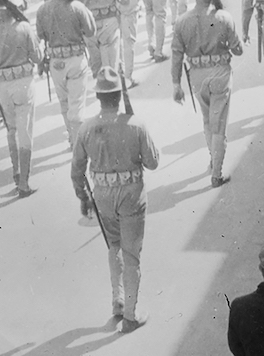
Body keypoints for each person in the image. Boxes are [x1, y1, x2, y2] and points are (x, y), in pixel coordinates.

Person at [71, 67, 159, 334]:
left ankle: (118, 301)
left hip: (103, 194)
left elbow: (76, 170)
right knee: (132, 254)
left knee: (114, 247)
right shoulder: (136, 124)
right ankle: (131, 315)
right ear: (119, 95)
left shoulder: (87, 127)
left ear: (98, 96)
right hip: (131, 192)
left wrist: (83, 197)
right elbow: (153, 162)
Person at [172, 0, 243, 185]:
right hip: (220, 73)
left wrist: (176, 84)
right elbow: (237, 49)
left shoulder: (182, 21)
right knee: (219, 124)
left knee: (207, 120)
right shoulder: (223, 17)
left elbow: (176, 54)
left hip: (196, 75)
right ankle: (217, 174)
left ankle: (214, 158)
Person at [0, 0, 42, 196]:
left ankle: (16, 171)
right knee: (25, 132)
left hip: (2, 84)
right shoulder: (23, 28)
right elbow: (37, 58)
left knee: (11, 129)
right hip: (23, 81)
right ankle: (24, 181)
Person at [36, 0, 96, 148]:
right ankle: (78, 143)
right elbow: (91, 31)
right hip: (76, 59)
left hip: (56, 61)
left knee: (64, 103)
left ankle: (72, 137)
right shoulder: (77, 6)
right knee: (76, 105)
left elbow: (41, 35)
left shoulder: (42, 9)